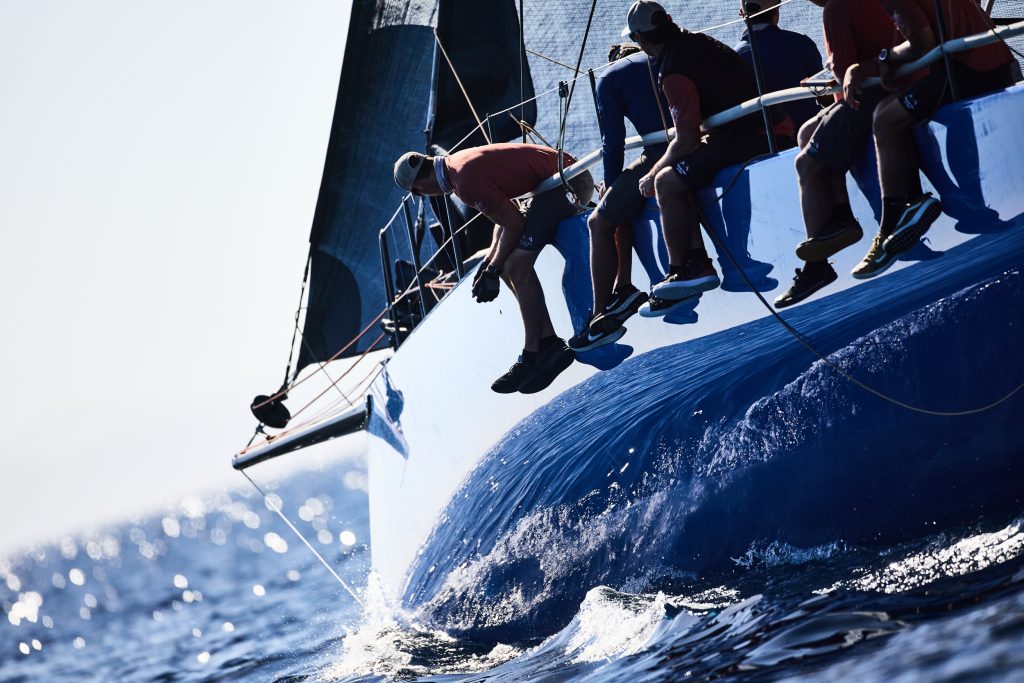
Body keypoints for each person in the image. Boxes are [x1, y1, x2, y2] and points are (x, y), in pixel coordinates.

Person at [393, 143, 594, 394]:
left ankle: (533, 353)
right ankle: (547, 344)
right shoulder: (457, 166)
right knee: (507, 265)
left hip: (569, 183)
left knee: (515, 265)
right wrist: (489, 263)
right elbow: (504, 217)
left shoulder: (463, 181)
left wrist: (495, 269)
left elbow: (513, 224)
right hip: (555, 184)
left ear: (419, 189)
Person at [624, 0, 782, 314]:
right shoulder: (694, 41)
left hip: (747, 137)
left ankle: (683, 270)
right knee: (684, 173)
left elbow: (687, 139)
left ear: (640, 39)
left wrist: (652, 173)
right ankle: (697, 262)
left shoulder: (672, 68)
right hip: (758, 128)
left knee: (667, 181)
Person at [846, 0, 1016, 277]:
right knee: (915, 111)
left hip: (967, 70)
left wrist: (879, 61)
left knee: (884, 117)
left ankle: (892, 223)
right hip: (999, 63)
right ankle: (967, 201)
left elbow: (922, 42)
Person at [774, 0, 897, 308]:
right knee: (806, 133)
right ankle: (840, 217)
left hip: (871, 97)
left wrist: (837, 70)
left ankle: (817, 268)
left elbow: (844, 73)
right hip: (884, 86)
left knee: (806, 163)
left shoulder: (836, 8)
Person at [569, 42, 670, 351]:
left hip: (660, 154)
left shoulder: (612, 78)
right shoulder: (665, 59)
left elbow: (612, 142)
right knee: (620, 206)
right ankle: (622, 286)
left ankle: (600, 316)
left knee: (599, 221)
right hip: (694, 142)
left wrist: (609, 188)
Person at [734, 0, 824, 133]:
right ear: (776, 11)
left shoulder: (734, 57)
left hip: (766, 142)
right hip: (812, 133)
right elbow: (824, 91)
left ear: (742, 14)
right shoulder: (800, 43)